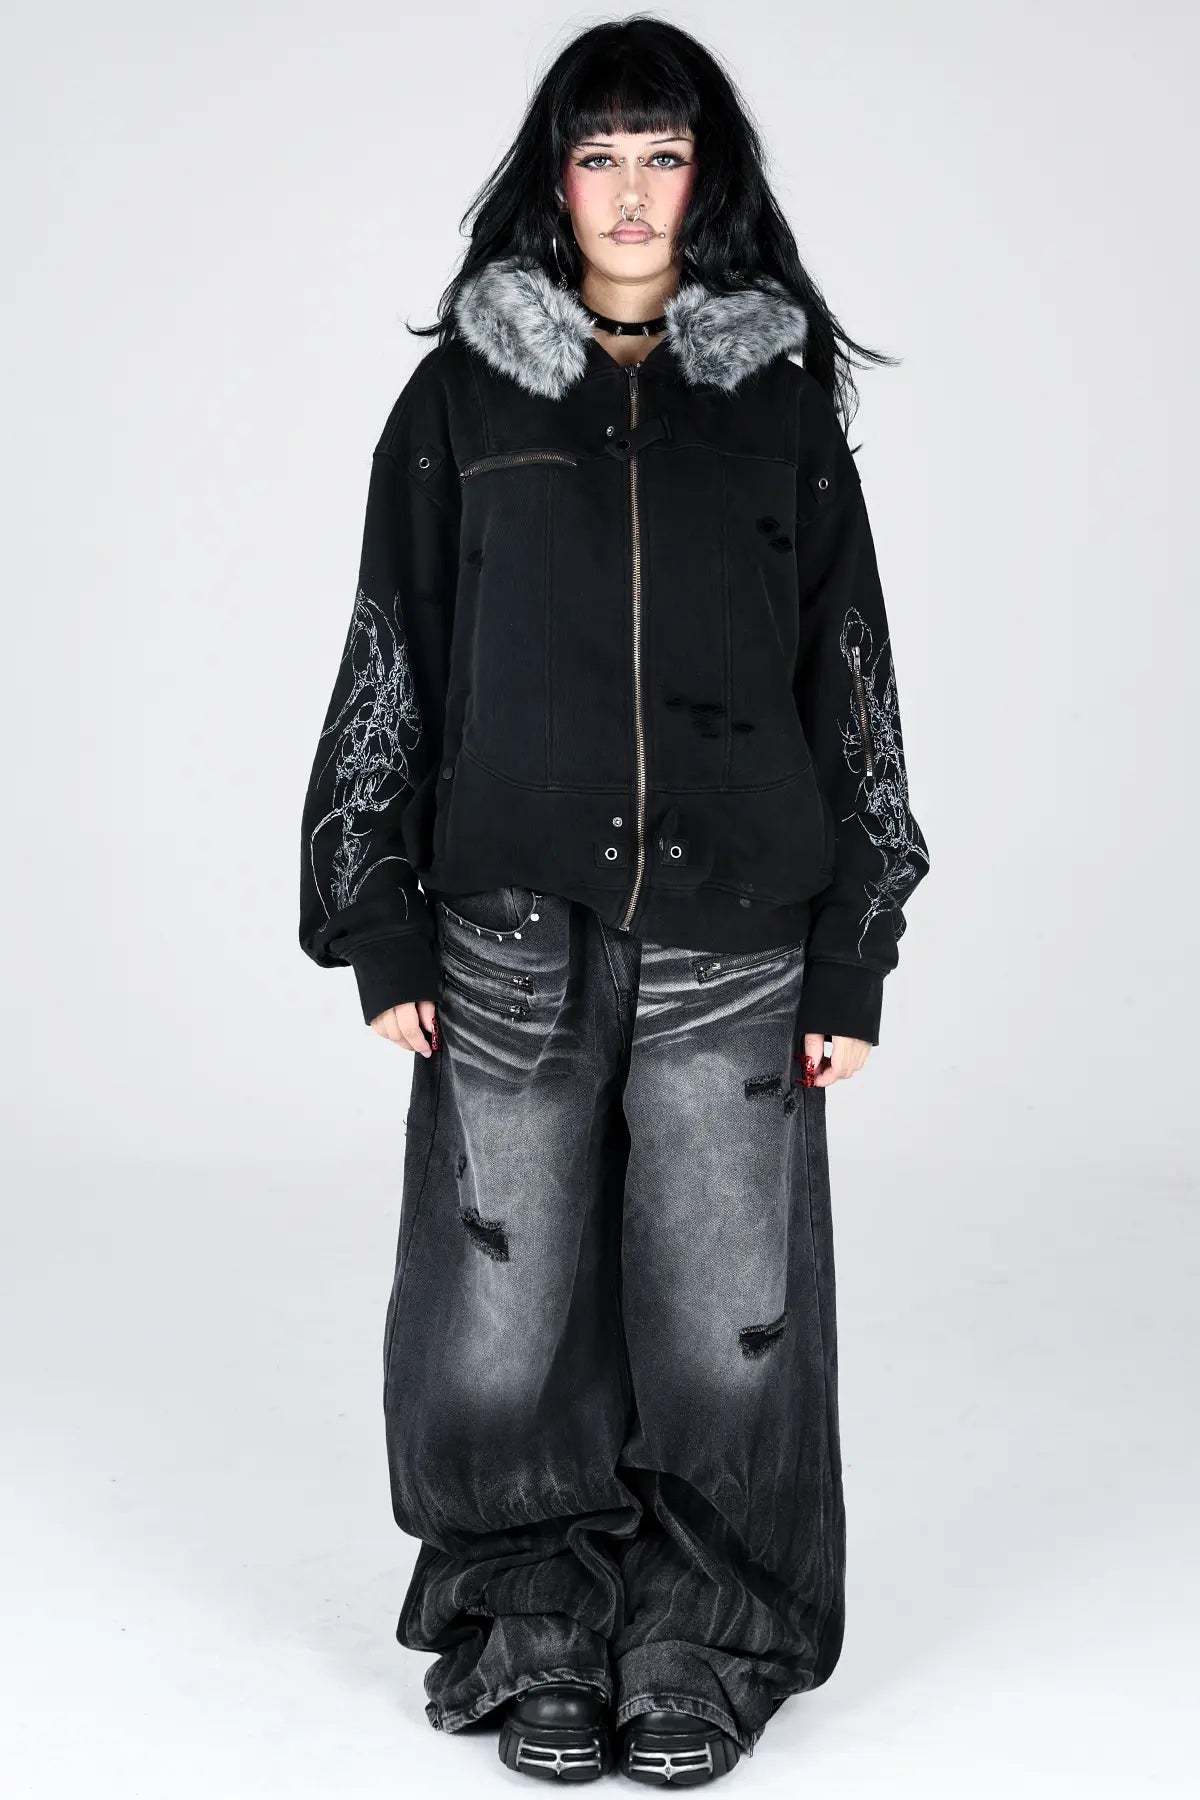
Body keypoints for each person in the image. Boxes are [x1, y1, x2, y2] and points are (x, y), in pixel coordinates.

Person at [298, 15, 930, 1787]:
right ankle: (533, 1618)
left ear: (706, 181)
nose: (633, 191)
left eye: (664, 155)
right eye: (602, 156)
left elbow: (852, 678)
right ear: (555, 180)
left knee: (725, 1309)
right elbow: (393, 654)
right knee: (503, 1302)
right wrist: (378, 915)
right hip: (505, 918)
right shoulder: (461, 402)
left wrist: (855, 949)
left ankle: (695, 1634)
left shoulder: (779, 406)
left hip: (740, 925)